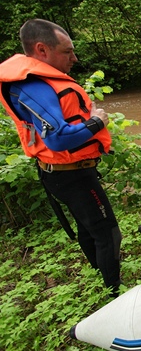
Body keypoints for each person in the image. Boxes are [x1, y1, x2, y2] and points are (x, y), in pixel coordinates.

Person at [0, 19, 122, 297]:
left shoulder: (39, 80)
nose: (74, 58)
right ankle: (115, 293)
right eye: (67, 52)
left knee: (88, 227)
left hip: (63, 173)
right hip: (71, 174)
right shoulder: (35, 87)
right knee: (108, 233)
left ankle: (101, 283)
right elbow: (59, 139)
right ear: (42, 50)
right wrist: (97, 123)